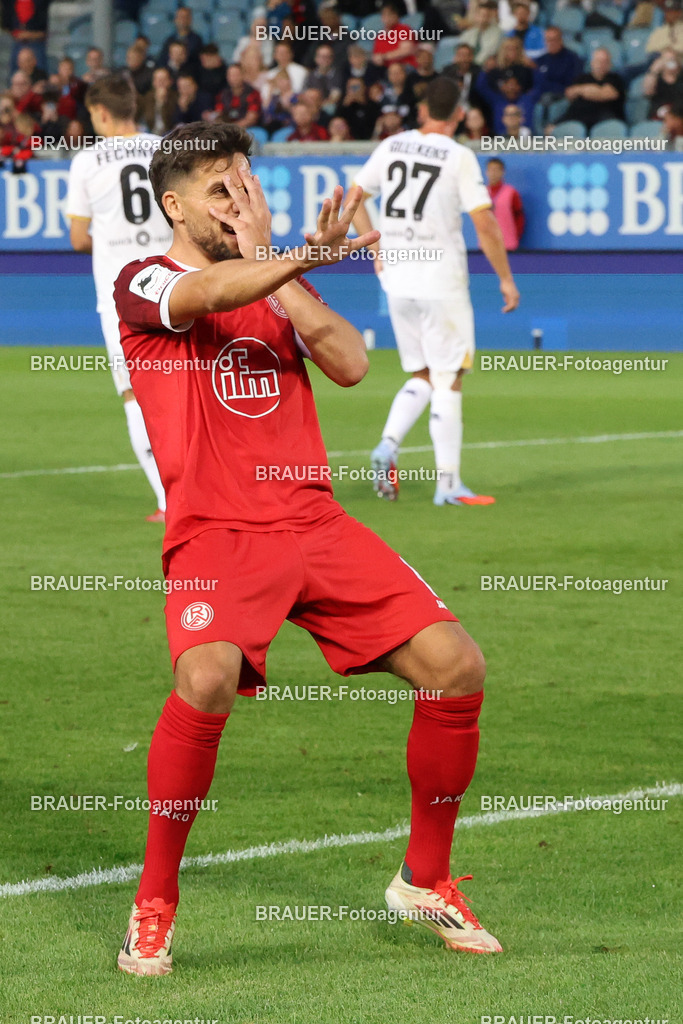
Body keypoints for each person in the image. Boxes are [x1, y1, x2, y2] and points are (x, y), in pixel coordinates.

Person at [111, 117, 499, 976]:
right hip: (217, 529)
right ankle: (155, 901)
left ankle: (423, 878)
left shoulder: (270, 277)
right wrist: (287, 258)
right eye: (222, 189)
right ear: (173, 204)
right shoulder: (142, 278)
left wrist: (286, 274)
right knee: (205, 677)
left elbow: (353, 362)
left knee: (455, 666)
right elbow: (207, 298)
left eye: (247, 185)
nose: (241, 201)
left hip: (312, 520)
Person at [353, 77, 519, 506]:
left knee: (422, 373)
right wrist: (505, 277)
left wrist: (373, 246)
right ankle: (448, 485)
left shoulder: (392, 146)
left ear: (424, 109)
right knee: (449, 377)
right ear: (460, 115)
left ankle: (388, 444)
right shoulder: (459, 156)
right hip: (440, 280)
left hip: (397, 279)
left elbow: (352, 196)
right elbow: (484, 222)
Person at [66, 74, 172, 522]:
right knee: (187, 386)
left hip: (121, 296)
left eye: (92, 115)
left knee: (135, 394)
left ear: (103, 113)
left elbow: (77, 238)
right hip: (173, 284)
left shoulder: (87, 161)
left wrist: (114, 246)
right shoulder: (167, 148)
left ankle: (170, 502)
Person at [561, 47, 625, 131]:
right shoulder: (582, 78)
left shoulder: (615, 78)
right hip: (578, 116)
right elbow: (569, 93)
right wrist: (593, 90)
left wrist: (580, 90)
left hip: (604, 119)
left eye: (605, 61)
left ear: (610, 64)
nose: (601, 65)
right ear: (592, 62)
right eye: (598, 61)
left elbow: (606, 94)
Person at [535, 26, 582, 103]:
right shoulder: (540, 60)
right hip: (541, 95)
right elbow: (538, 82)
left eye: (554, 40)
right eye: (548, 40)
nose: (551, 43)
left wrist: (549, 86)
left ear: (561, 40)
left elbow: (571, 84)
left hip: (563, 97)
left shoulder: (572, 59)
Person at [486, 157, 524, 248]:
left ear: (502, 172)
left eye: (496, 170)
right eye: (491, 170)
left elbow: (519, 217)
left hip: (508, 244)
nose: (493, 173)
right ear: (486, 172)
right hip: (487, 245)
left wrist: (514, 236)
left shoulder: (511, 193)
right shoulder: (482, 193)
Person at [372, 0, 417, 69]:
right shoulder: (380, 36)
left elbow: (406, 50)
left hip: (405, 66)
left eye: (389, 14)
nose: (386, 18)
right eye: (384, 15)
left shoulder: (403, 29)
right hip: (386, 69)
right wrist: (378, 59)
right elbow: (376, 56)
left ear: (396, 16)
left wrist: (384, 57)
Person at [215, 64, 262, 130]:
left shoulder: (253, 93)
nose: (233, 78)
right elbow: (218, 114)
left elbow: (251, 119)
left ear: (243, 75)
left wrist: (231, 128)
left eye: (236, 75)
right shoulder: (223, 94)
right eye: (230, 75)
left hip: (249, 129)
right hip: (227, 129)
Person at [459, 1, 504, 66]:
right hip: (466, 65)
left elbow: (488, 53)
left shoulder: (498, 33)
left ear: (491, 16)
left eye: (485, 15)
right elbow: (461, 49)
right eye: (479, 14)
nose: (482, 18)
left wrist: (474, 64)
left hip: (483, 67)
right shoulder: (468, 33)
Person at [643, 48, 683, 118]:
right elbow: (648, 92)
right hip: (658, 112)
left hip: (678, 113)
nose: (670, 62)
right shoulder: (655, 77)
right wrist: (654, 70)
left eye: (673, 59)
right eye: (667, 60)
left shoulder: (681, 76)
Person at [140, 67, 177, 135]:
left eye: (163, 80)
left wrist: (162, 103)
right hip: (150, 133)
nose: (161, 83)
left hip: (170, 134)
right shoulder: (147, 97)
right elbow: (148, 119)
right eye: (158, 80)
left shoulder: (175, 97)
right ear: (153, 82)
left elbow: (170, 122)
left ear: (170, 81)